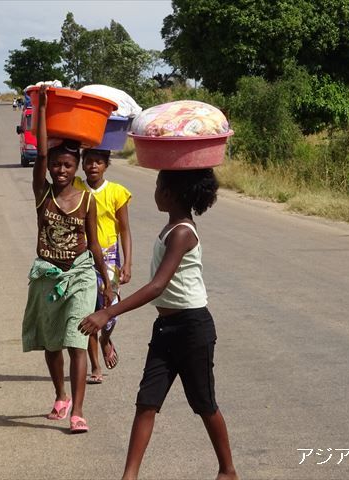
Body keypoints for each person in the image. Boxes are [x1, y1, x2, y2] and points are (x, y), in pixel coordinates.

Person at [80, 169, 238, 480]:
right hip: (166, 328)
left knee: (204, 403)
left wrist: (107, 313)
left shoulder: (182, 232)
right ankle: (129, 476)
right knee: (147, 402)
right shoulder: (171, 227)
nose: (155, 191)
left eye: (158, 186)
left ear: (171, 193)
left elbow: (157, 286)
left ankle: (228, 470)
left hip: (193, 328)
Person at [22, 85, 113, 433]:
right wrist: (43, 108)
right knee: (51, 342)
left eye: (67, 165)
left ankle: (77, 411)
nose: (60, 170)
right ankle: (60, 395)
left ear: (76, 168)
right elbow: (41, 156)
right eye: (56, 165)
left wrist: (106, 280)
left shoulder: (87, 200)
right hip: (47, 275)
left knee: (77, 341)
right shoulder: (41, 193)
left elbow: (93, 244)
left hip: (79, 275)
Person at [74, 148, 132, 384]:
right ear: (82, 165)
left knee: (110, 311)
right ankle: (95, 367)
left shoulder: (117, 192)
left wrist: (127, 262)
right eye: (88, 162)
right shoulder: (77, 187)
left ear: (106, 165)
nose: (93, 166)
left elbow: (125, 229)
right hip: (82, 256)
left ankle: (106, 339)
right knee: (88, 311)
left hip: (109, 257)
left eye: (98, 162)